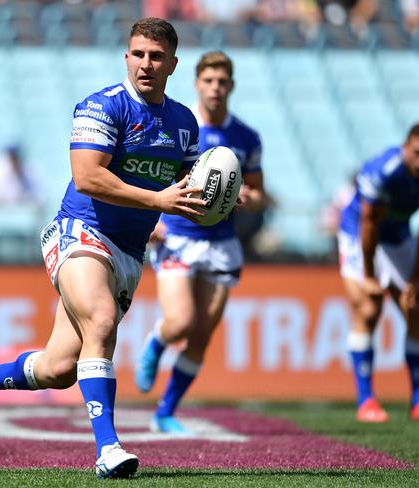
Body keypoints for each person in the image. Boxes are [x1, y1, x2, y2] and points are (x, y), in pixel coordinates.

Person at [0, 17, 206, 479]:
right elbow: (87, 177)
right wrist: (158, 200)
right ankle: (109, 449)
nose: (146, 64)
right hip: (79, 230)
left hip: (129, 254)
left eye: (156, 57)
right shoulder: (103, 106)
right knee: (101, 319)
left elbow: (189, 186)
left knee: (58, 370)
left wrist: (215, 201)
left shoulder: (183, 122)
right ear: (126, 57)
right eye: (138, 54)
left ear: (173, 64)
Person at [134, 51, 269, 434]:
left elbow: (260, 194)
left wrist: (244, 195)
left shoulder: (246, 138)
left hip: (222, 244)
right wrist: (151, 220)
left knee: (201, 336)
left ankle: (165, 411)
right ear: (197, 83)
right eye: (208, 81)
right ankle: (157, 344)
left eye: (222, 81)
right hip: (178, 236)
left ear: (231, 86)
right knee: (179, 322)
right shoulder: (180, 125)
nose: (215, 88)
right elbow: (152, 178)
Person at [339, 122, 419, 423]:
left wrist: (416, 276)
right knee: (369, 307)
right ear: (406, 148)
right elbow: (368, 223)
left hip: (399, 237)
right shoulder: (383, 171)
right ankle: (366, 401)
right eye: (417, 153)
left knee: (418, 309)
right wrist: (368, 275)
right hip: (358, 234)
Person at [0, 143, 43, 207]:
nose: (14, 160)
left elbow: (39, 200)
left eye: (16, 157)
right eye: (12, 156)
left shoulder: (29, 171)